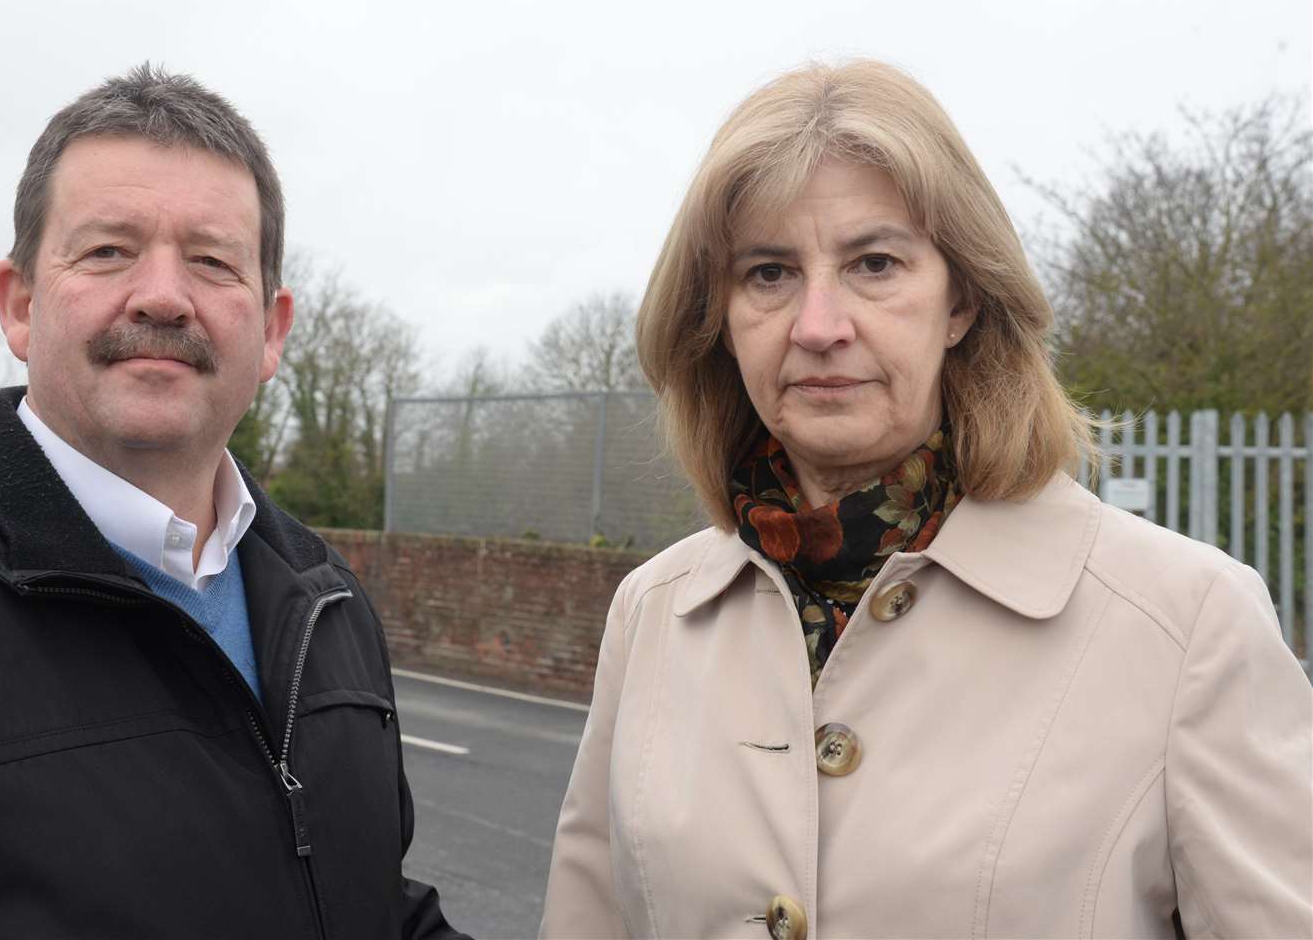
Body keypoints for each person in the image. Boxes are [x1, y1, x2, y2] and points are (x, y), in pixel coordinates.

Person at [538, 60, 1312, 939]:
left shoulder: (1188, 625)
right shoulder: (652, 612)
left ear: (962, 301)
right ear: (717, 314)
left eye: (873, 263)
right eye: (767, 273)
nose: (818, 325)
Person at [0, 65, 466, 939]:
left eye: (212, 262)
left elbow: (367, 904)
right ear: (19, 305)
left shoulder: (324, 600)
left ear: (272, 331)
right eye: (107, 251)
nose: (164, 296)